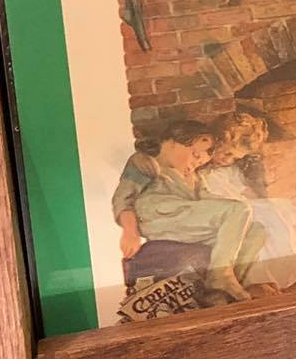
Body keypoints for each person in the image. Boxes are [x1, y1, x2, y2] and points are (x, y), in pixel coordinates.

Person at [110, 120, 260, 305]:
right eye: (195, 155)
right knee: (239, 210)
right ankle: (220, 275)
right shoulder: (146, 162)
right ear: (172, 142)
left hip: (184, 219)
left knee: (256, 231)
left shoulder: (191, 176)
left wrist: (234, 209)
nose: (195, 164)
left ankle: (221, 287)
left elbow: (205, 197)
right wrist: (130, 232)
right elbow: (123, 199)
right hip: (159, 216)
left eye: (200, 162)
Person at [200, 109, 296, 293]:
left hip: (243, 204)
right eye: (226, 153)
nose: (227, 160)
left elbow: (245, 191)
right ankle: (265, 279)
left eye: (234, 158)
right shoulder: (201, 172)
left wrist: (266, 203)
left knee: (282, 214)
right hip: (226, 211)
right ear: (217, 142)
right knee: (264, 225)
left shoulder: (228, 171)